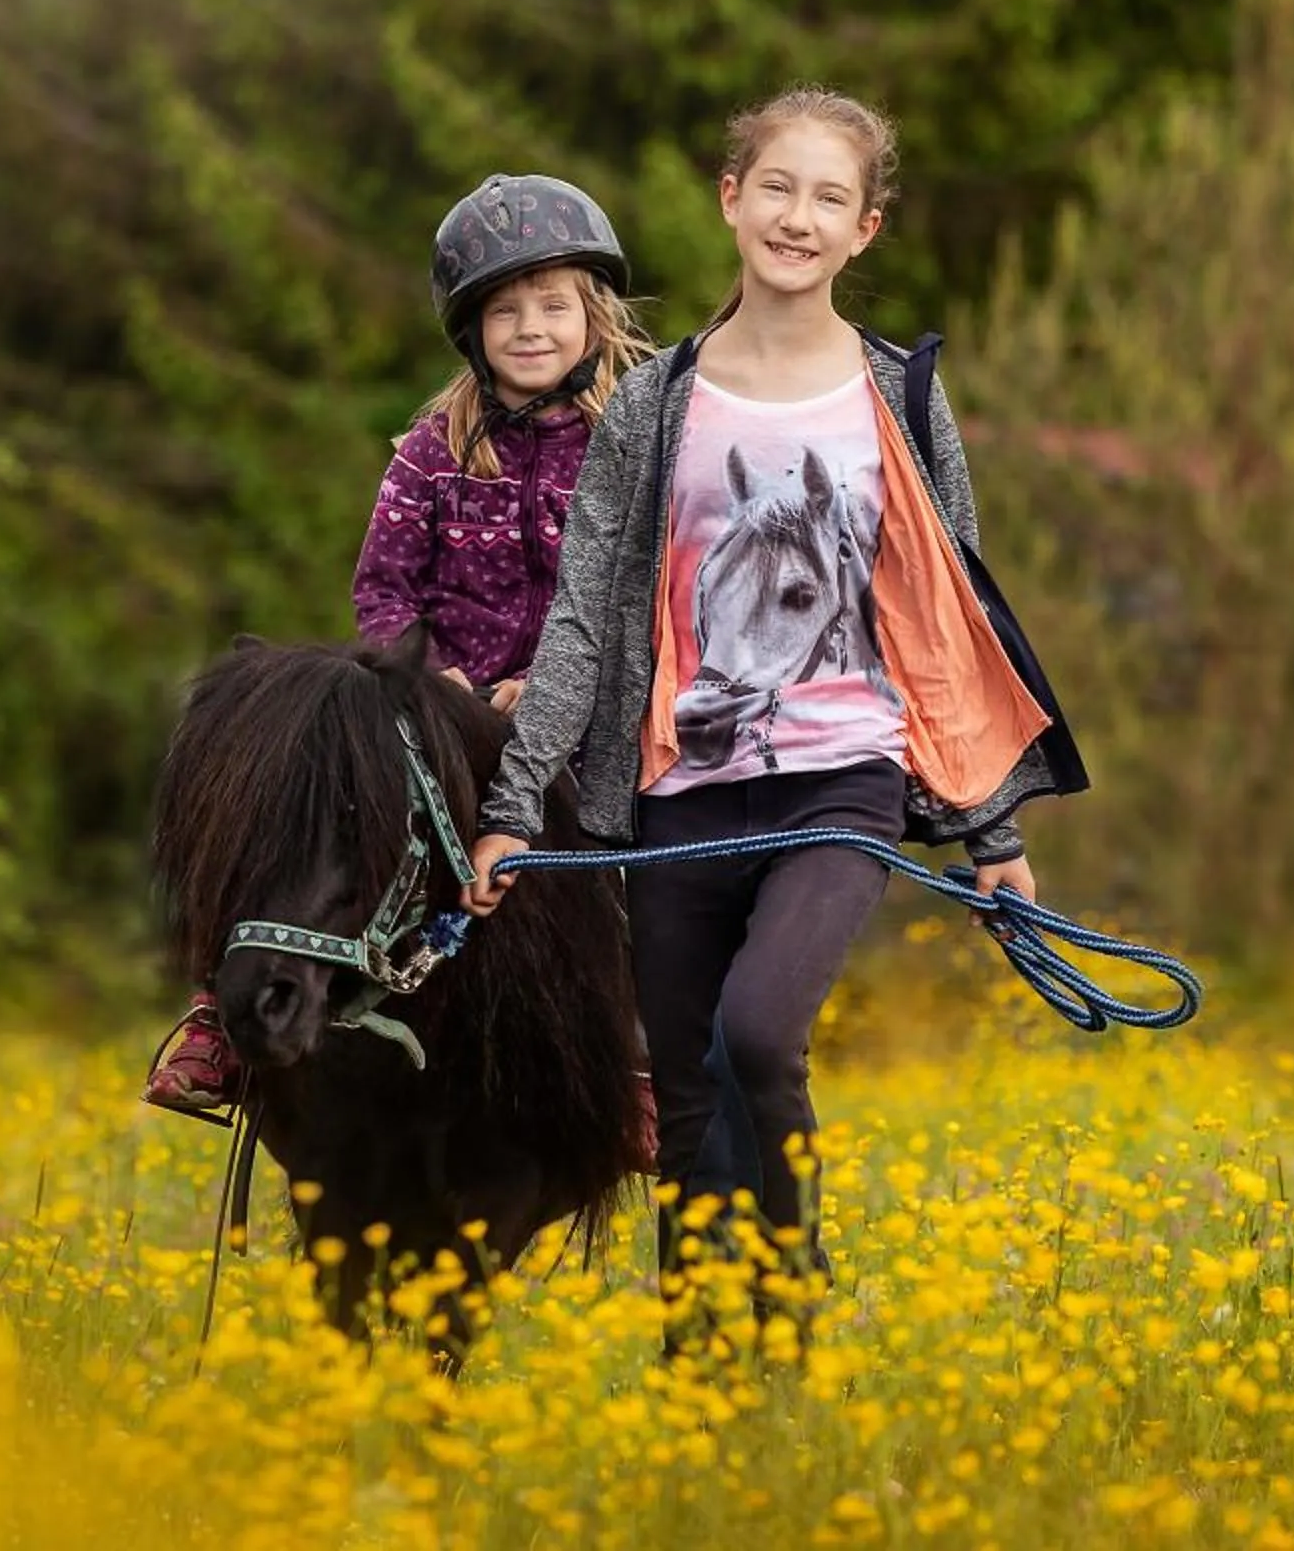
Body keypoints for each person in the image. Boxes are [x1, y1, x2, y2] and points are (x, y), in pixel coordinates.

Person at [459, 88, 1089, 1310]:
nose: (799, 216)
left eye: (831, 197)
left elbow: (951, 623)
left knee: (756, 1032)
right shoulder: (653, 406)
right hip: (681, 784)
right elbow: (585, 617)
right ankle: (707, 1360)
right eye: (778, 188)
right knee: (687, 1094)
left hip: (842, 776)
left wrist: (991, 832)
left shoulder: (900, 400)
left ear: (866, 228)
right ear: (732, 199)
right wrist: (515, 802)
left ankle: (791, 1290)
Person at [142, 172, 653, 1118]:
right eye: (506, 312)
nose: (531, 329)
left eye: (553, 307)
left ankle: (635, 1061)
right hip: (439, 707)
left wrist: (551, 686)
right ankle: (225, 1019)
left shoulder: (629, 446)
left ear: (594, 319)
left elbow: (641, 593)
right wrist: (425, 673)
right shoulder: (432, 448)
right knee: (300, 806)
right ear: (471, 330)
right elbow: (381, 583)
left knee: (621, 844)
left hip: (575, 711)